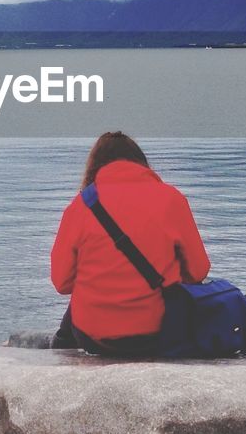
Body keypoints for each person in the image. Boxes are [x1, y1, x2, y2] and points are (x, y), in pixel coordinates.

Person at [50, 131, 210, 356]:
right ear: (142, 163)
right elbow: (198, 271)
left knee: (80, 292)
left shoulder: (78, 207)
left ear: (94, 167)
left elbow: (62, 283)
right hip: (160, 332)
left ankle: (56, 351)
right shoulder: (172, 199)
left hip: (93, 337)